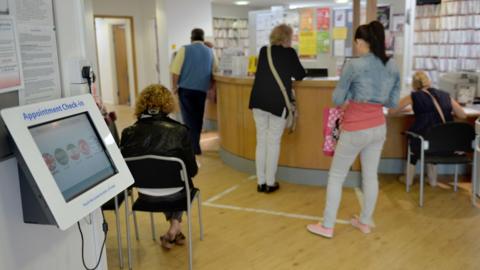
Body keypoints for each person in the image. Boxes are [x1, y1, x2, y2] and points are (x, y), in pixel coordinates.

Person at [307, 21, 401, 238]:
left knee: (337, 175)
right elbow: (392, 102)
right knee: (370, 176)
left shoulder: (353, 65)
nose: (356, 46)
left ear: (361, 42)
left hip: (354, 128)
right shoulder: (392, 66)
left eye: (356, 42)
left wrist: (351, 99)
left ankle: (328, 226)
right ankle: (365, 221)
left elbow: (337, 98)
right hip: (378, 127)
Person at [120, 84, 198, 249]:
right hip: (176, 196)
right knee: (179, 182)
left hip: (144, 195)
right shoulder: (179, 131)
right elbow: (192, 171)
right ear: (168, 104)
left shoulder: (128, 133)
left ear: (142, 105)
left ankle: (175, 229)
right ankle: (175, 229)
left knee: (161, 177)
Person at [248, 24, 306, 193]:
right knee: (273, 142)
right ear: (287, 38)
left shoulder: (263, 51)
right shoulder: (290, 53)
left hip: (258, 100)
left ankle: (260, 182)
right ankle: (270, 183)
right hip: (277, 102)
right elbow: (300, 74)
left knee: (261, 141)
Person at [389, 71, 466, 187]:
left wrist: (406, 110)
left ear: (414, 85)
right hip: (446, 144)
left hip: (423, 142)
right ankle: (432, 180)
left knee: (415, 138)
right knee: (434, 139)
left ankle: (408, 179)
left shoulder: (413, 96)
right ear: (429, 82)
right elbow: (463, 115)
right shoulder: (445, 95)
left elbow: (392, 111)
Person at [171, 28, 218, 157]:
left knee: (188, 119)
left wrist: (174, 87)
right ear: (203, 39)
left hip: (186, 89)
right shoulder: (210, 52)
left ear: (191, 38)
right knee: (198, 118)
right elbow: (215, 71)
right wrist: (210, 87)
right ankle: (195, 146)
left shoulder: (184, 49)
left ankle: (193, 147)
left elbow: (175, 71)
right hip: (201, 90)